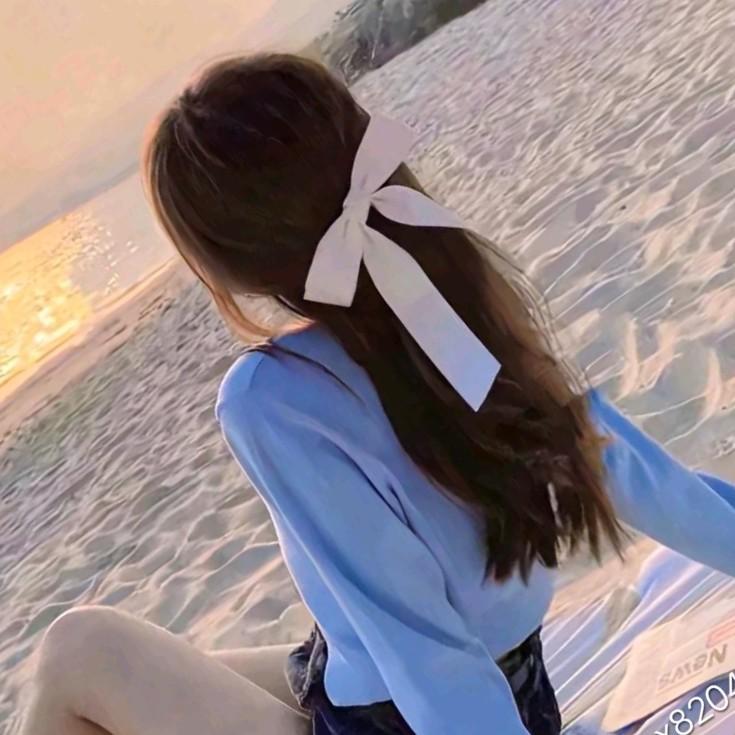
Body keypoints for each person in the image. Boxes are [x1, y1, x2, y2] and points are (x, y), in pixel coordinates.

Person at [21, 53, 735, 735]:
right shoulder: (447, 301)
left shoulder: (271, 397)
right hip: (506, 687)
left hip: (412, 718)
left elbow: (422, 652)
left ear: (228, 266)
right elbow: (636, 475)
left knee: (79, 651)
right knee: (177, 671)